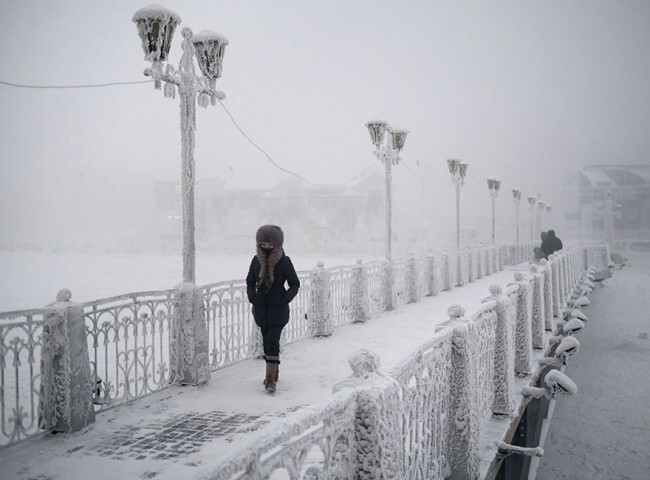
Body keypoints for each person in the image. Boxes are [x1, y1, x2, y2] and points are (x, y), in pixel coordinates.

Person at [246, 225, 300, 393]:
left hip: (278, 309)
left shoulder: (285, 261)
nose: (267, 248)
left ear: (278, 245)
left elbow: (294, 284)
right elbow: (249, 281)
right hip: (261, 309)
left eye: (271, 245)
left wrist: (284, 299)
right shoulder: (256, 261)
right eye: (264, 245)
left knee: (272, 341)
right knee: (266, 341)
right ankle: (274, 372)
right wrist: (252, 297)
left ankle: (270, 380)